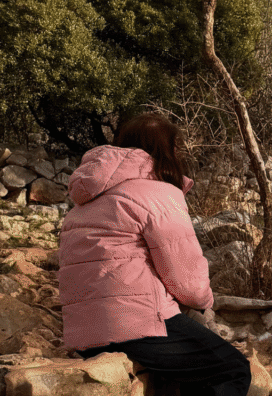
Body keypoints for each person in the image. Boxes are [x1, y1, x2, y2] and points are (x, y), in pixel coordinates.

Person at [59, 112, 251, 396]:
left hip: (86, 334)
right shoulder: (158, 193)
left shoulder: (83, 201)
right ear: (167, 150)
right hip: (135, 325)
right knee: (232, 370)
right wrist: (204, 304)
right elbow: (188, 282)